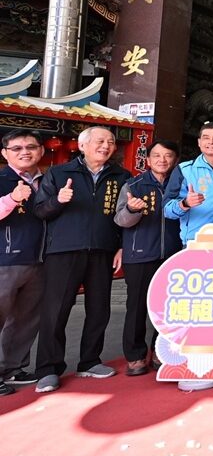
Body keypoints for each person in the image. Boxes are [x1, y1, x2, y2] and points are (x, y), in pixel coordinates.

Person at [32, 127, 131, 393]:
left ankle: (90, 361)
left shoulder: (121, 176)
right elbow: (40, 210)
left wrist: (121, 247)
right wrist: (58, 200)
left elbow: (124, 215)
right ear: (83, 145)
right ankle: (48, 369)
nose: (105, 146)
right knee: (56, 311)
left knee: (99, 309)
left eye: (110, 142)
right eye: (99, 141)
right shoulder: (59, 173)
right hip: (64, 250)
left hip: (103, 250)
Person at [114, 140, 182, 378]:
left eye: (168, 155)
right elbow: (120, 220)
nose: (162, 160)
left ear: (175, 160)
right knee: (137, 307)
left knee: (169, 307)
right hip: (140, 254)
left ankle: (160, 350)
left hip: (173, 254)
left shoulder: (181, 185)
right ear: (148, 160)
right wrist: (132, 210)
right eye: (157, 156)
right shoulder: (134, 185)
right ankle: (135, 355)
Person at [0, 131, 45, 395]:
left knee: (26, 319)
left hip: (39, 260)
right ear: (4, 153)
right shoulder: (2, 179)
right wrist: (13, 198)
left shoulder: (48, 181)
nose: (25, 152)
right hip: (5, 260)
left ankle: (12, 368)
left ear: (41, 150)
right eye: (16, 148)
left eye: (31, 146)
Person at [164, 122, 213, 242]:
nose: (211, 142)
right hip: (196, 240)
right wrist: (185, 203)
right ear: (199, 142)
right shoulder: (185, 170)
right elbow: (166, 210)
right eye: (206, 138)